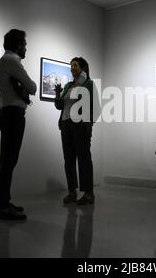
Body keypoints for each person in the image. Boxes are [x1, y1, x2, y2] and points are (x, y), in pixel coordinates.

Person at [0, 29, 37, 220]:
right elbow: (33, 87)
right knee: (7, 162)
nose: (26, 47)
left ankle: (4, 202)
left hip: (7, 113)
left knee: (7, 161)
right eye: (25, 44)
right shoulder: (12, 61)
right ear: (18, 44)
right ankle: (2, 207)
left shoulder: (5, 62)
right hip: (13, 115)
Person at [55, 57, 99, 205]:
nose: (72, 68)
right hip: (66, 125)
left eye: (75, 65)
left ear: (83, 67)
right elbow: (59, 105)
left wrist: (88, 124)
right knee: (68, 159)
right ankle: (72, 192)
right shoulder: (68, 86)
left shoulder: (88, 84)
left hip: (80, 125)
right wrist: (57, 93)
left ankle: (88, 193)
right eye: (71, 66)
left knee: (84, 159)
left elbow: (96, 107)